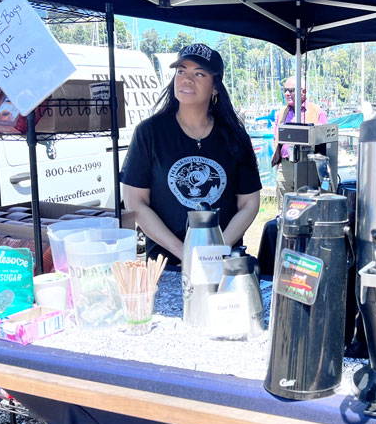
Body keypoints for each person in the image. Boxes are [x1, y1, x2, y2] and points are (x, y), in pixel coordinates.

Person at [121, 43, 261, 265]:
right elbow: (135, 202)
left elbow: (249, 203)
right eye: (181, 71)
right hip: (165, 265)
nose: (187, 79)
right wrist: (184, 252)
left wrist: (218, 249)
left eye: (199, 73)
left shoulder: (235, 137)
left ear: (215, 86)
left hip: (223, 263)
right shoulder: (149, 133)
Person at [271, 76, 328, 207]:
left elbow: (324, 140)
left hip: (307, 166)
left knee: (305, 204)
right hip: (285, 166)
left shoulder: (317, 111)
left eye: (291, 90)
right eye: (285, 90)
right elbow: (276, 137)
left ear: (303, 91)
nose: (286, 93)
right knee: (283, 206)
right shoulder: (282, 113)